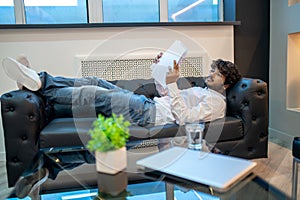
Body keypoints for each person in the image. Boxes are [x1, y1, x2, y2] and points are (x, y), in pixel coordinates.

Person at [2, 54, 241, 198]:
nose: (210, 74)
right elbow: (164, 93)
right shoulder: (201, 90)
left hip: (150, 114)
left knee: (95, 94)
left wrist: (174, 84)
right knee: (95, 82)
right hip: (149, 104)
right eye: (212, 69)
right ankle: (44, 167)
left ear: (227, 83)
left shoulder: (216, 103)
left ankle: (39, 83)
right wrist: (159, 73)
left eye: (216, 73)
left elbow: (184, 115)